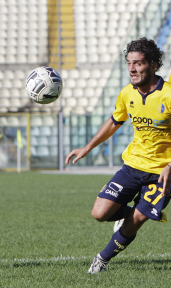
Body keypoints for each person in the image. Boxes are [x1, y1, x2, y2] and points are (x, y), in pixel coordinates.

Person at [65, 38, 171, 274]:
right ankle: (127, 213)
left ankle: (101, 260)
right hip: (133, 166)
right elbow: (115, 121)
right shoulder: (127, 94)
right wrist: (87, 148)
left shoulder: (169, 95)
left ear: (154, 65)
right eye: (128, 63)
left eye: (138, 63)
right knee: (99, 213)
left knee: (139, 219)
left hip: (162, 173)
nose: (132, 69)